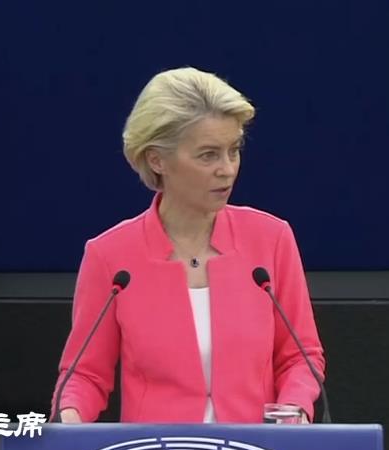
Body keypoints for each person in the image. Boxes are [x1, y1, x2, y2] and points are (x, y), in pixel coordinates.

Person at [51, 67, 325, 423]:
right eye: (208, 155)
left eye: (234, 151)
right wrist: (69, 419)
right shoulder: (110, 256)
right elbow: (85, 375)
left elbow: (300, 357)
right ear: (157, 159)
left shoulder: (271, 239)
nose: (227, 169)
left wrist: (294, 413)